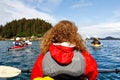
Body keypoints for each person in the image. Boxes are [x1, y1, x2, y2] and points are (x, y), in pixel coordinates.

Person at [31, 20, 98, 80]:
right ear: (75, 35)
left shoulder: (43, 57)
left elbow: (34, 77)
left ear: (54, 35)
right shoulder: (85, 57)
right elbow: (93, 76)